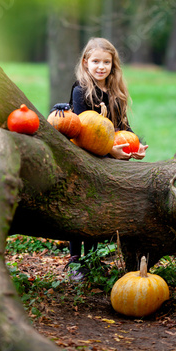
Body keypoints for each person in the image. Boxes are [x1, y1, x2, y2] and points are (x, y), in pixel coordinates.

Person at [66, 37, 148, 277]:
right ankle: (75, 261)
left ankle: (91, 258)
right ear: (85, 62)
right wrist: (109, 148)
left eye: (106, 62)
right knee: (80, 208)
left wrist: (136, 146)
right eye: (95, 61)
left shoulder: (115, 93)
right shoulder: (81, 90)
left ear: (113, 65)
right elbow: (82, 128)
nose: (101, 66)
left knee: (98, 208)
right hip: (83, 156)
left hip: (106, 158)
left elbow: (123, 125)